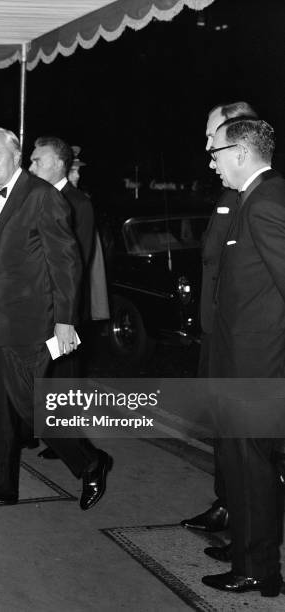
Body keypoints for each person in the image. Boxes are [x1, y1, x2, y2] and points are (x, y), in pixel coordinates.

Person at [0, 127, 113, 510]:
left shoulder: (42, 196)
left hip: (27, 326)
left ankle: (91, 462)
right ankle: (1, 484)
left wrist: (65, 321)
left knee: (31, 408)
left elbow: (66, 262)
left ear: (16, 154)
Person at [201, 118, 285, 596]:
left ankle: (258, 570)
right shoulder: (255, 197)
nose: (211, 162)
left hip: (256, 367)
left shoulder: (267, 199)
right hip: (242, 361)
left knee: (251, 467)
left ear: (240, 152)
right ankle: (251, 560)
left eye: (214, 152)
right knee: (243, 465)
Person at [180, 102, 258, 536]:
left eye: (213, 135)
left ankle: (242, 517)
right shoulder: (231, 193)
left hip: (241, 339)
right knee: (222, 431)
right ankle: (226, 503)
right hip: (216, 329)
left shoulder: (255, 197)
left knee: (244, 440)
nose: (207, 145)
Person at [29, 136, 108, 462]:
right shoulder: (38, 197)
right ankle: (60, 441)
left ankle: (76, 447)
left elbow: (78, 259)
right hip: (43, 306)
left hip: (66, 309)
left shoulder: (77, 202)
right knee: (51, 378)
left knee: (66, 379)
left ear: (59, 164)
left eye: (37, 161)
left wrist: (67, 313)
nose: (31, 167)